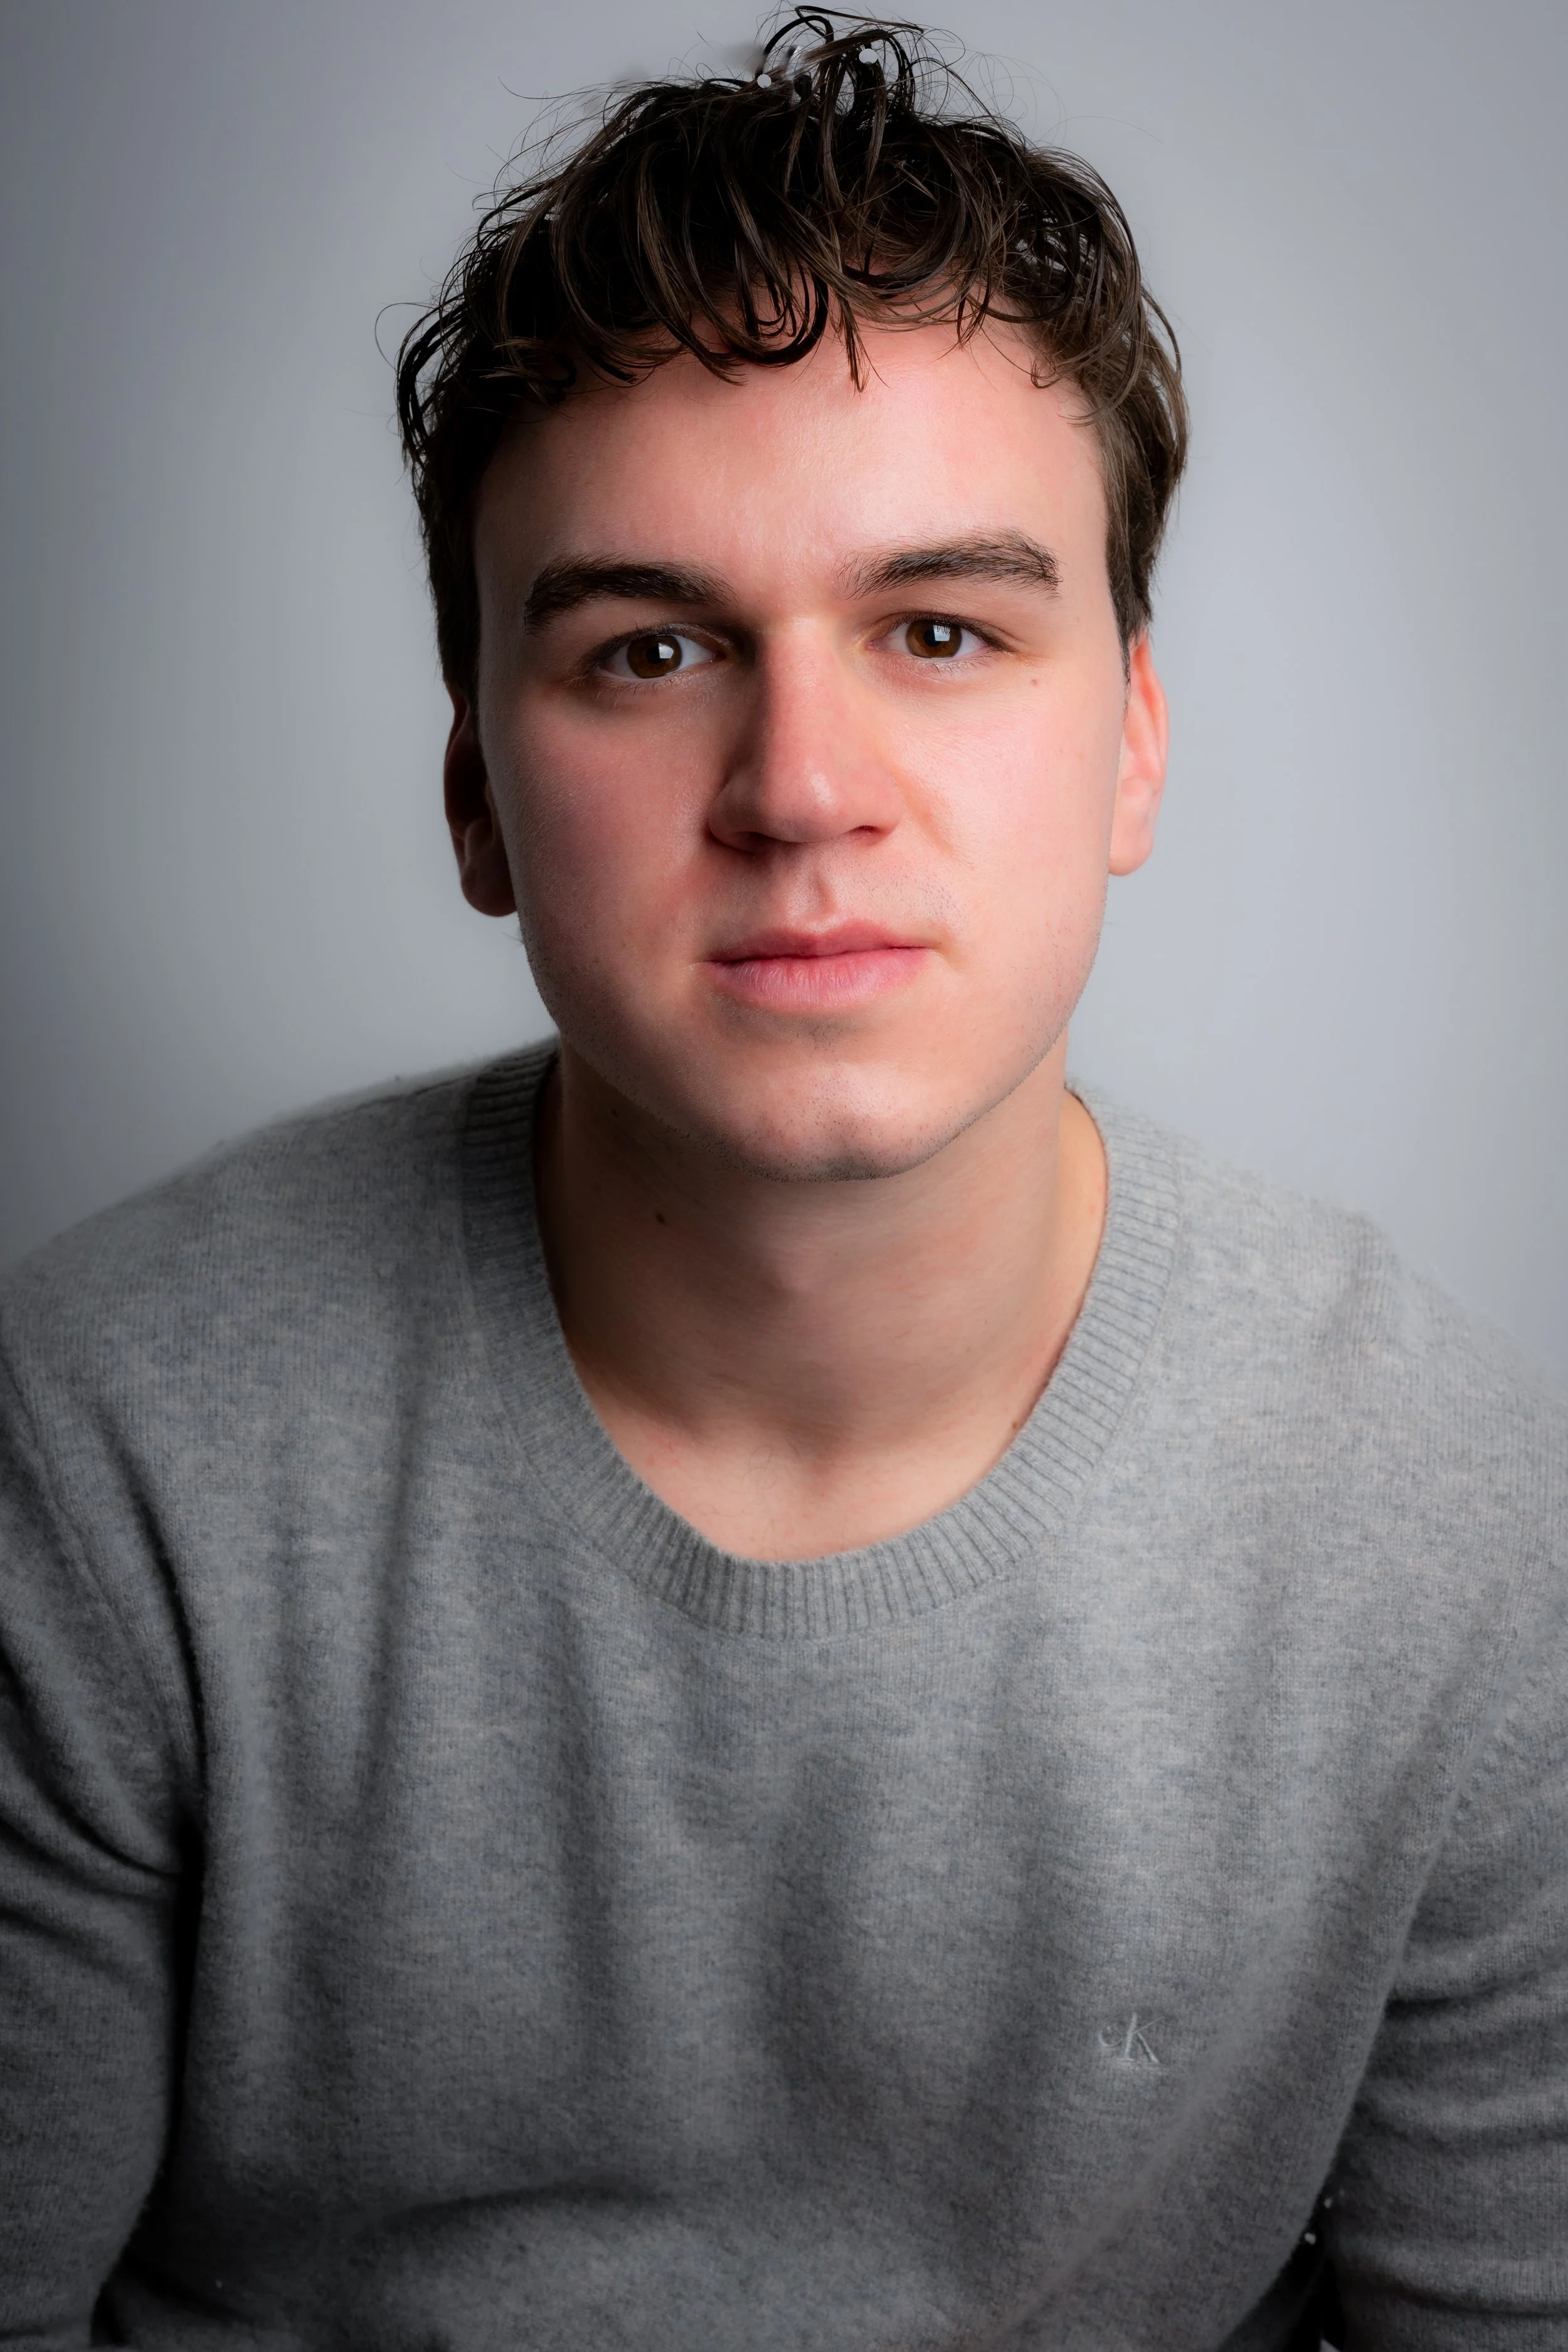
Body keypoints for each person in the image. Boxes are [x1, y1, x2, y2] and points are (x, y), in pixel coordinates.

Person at [1, 13, 1564, 2346]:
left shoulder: (1446, 1528)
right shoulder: (111, 1445)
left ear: (1131, 737)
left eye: (941, 630)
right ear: (472, 798)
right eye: (651, 649)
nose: (801, 782)